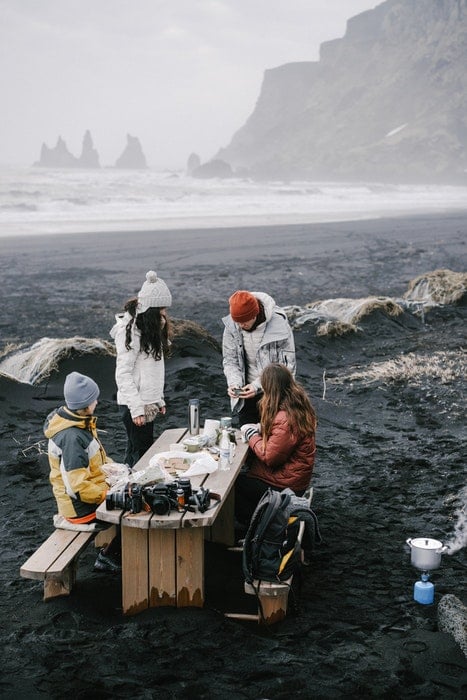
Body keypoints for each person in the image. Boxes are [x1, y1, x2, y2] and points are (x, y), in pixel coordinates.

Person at [44, 371, 121, 572]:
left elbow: (95, 461)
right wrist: (107, 495)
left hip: (86, 498)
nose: (97, 401)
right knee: (129, 509)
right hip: (79, 508)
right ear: (85, 404)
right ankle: (109, 557)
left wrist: (116, 470)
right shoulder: (72, 437)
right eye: (94, 398)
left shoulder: (78, 423)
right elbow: (77, 488)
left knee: (131, 490)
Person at [234, 363, 317, 528]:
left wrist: (251, 435)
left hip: (285, 485)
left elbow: (270, 457)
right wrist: (260, 428)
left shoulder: (286, 417)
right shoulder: (295, 405)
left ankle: (256, 527)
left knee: (234, 488)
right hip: (292, 478)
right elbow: (281, 435)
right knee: (243, 477)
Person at [110, 270, 172, 468]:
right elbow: (123, 374)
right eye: (161, 309)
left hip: (148, 403)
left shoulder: (151, 330)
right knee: (141, 455)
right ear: (151, 311)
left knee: (138, 451)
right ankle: (133, 493)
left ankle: (127, 488)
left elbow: (152, 371)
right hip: (134, 406)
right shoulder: (130, 333)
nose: (165, 313)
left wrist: (158, 399)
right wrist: (137, 409)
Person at [222, 290, 296, 425]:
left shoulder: (279, 325)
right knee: (247, 437)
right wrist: (234, 384)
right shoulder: (233, 324)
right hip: (246, 394)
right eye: (237, 321)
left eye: (244, 322)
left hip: (275, 394)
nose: (240, 325)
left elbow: (287, 366)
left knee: (275, 440)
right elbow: (230, 360)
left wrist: (257, 386)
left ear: (254, 314)